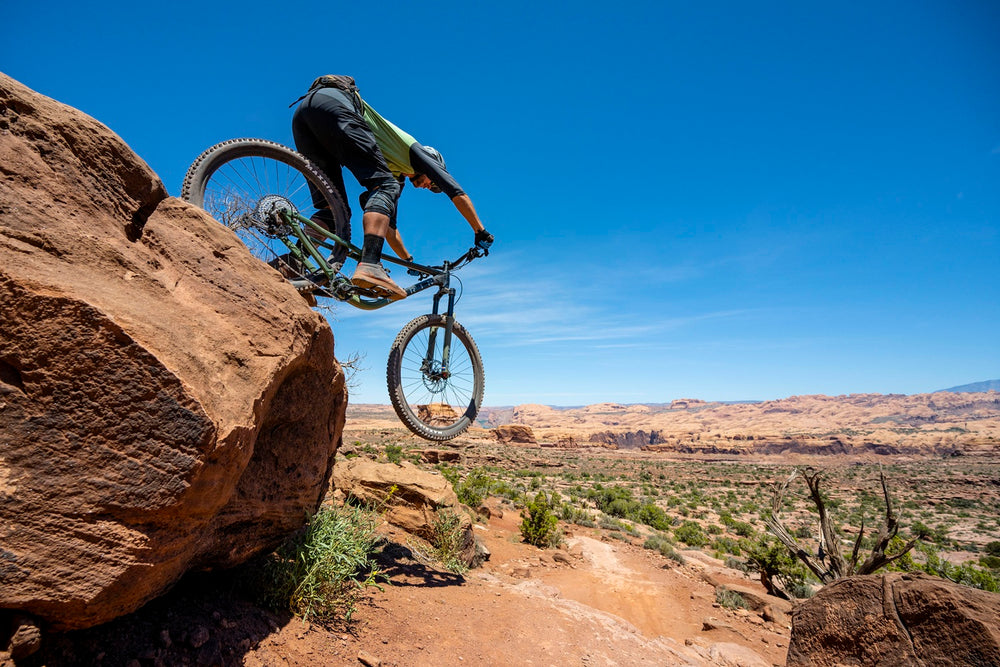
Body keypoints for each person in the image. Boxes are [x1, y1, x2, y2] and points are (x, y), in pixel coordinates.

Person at [291, 75, 494, 300]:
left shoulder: (395, 176)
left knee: (333, 212)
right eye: (432, 183)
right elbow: (455, 191)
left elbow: (389, 229)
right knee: (383, 187)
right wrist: (480, 231)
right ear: (433, 163)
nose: (429, 186)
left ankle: (292, 265)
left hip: (305, 115)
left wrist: (408, 261)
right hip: (335, 105)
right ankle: (369, 264)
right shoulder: (415, 152)